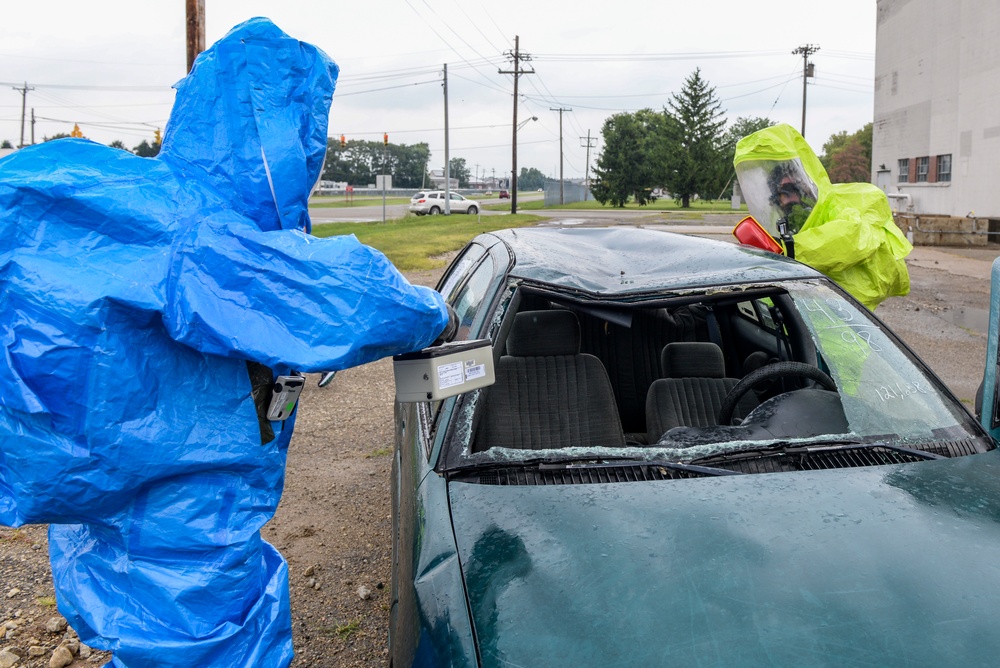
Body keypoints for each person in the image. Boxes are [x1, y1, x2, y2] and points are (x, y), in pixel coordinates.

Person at [0, 18, 453, 668]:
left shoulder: (132, 201)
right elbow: (332, 300)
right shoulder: (195, 231)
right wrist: (432, 311)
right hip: (181, 508)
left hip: (106, 495)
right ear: (267, 140)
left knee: (137, 626)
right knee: (203, 642)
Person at [734, 124, 911, 311]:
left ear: (802, 186)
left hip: (847, 309)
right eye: (779, 193)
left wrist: (787, 253)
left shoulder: (836, 207)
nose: (785, 200)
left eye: (789, 190)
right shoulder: (787, 217)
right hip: (816, 305)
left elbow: (849, 239)